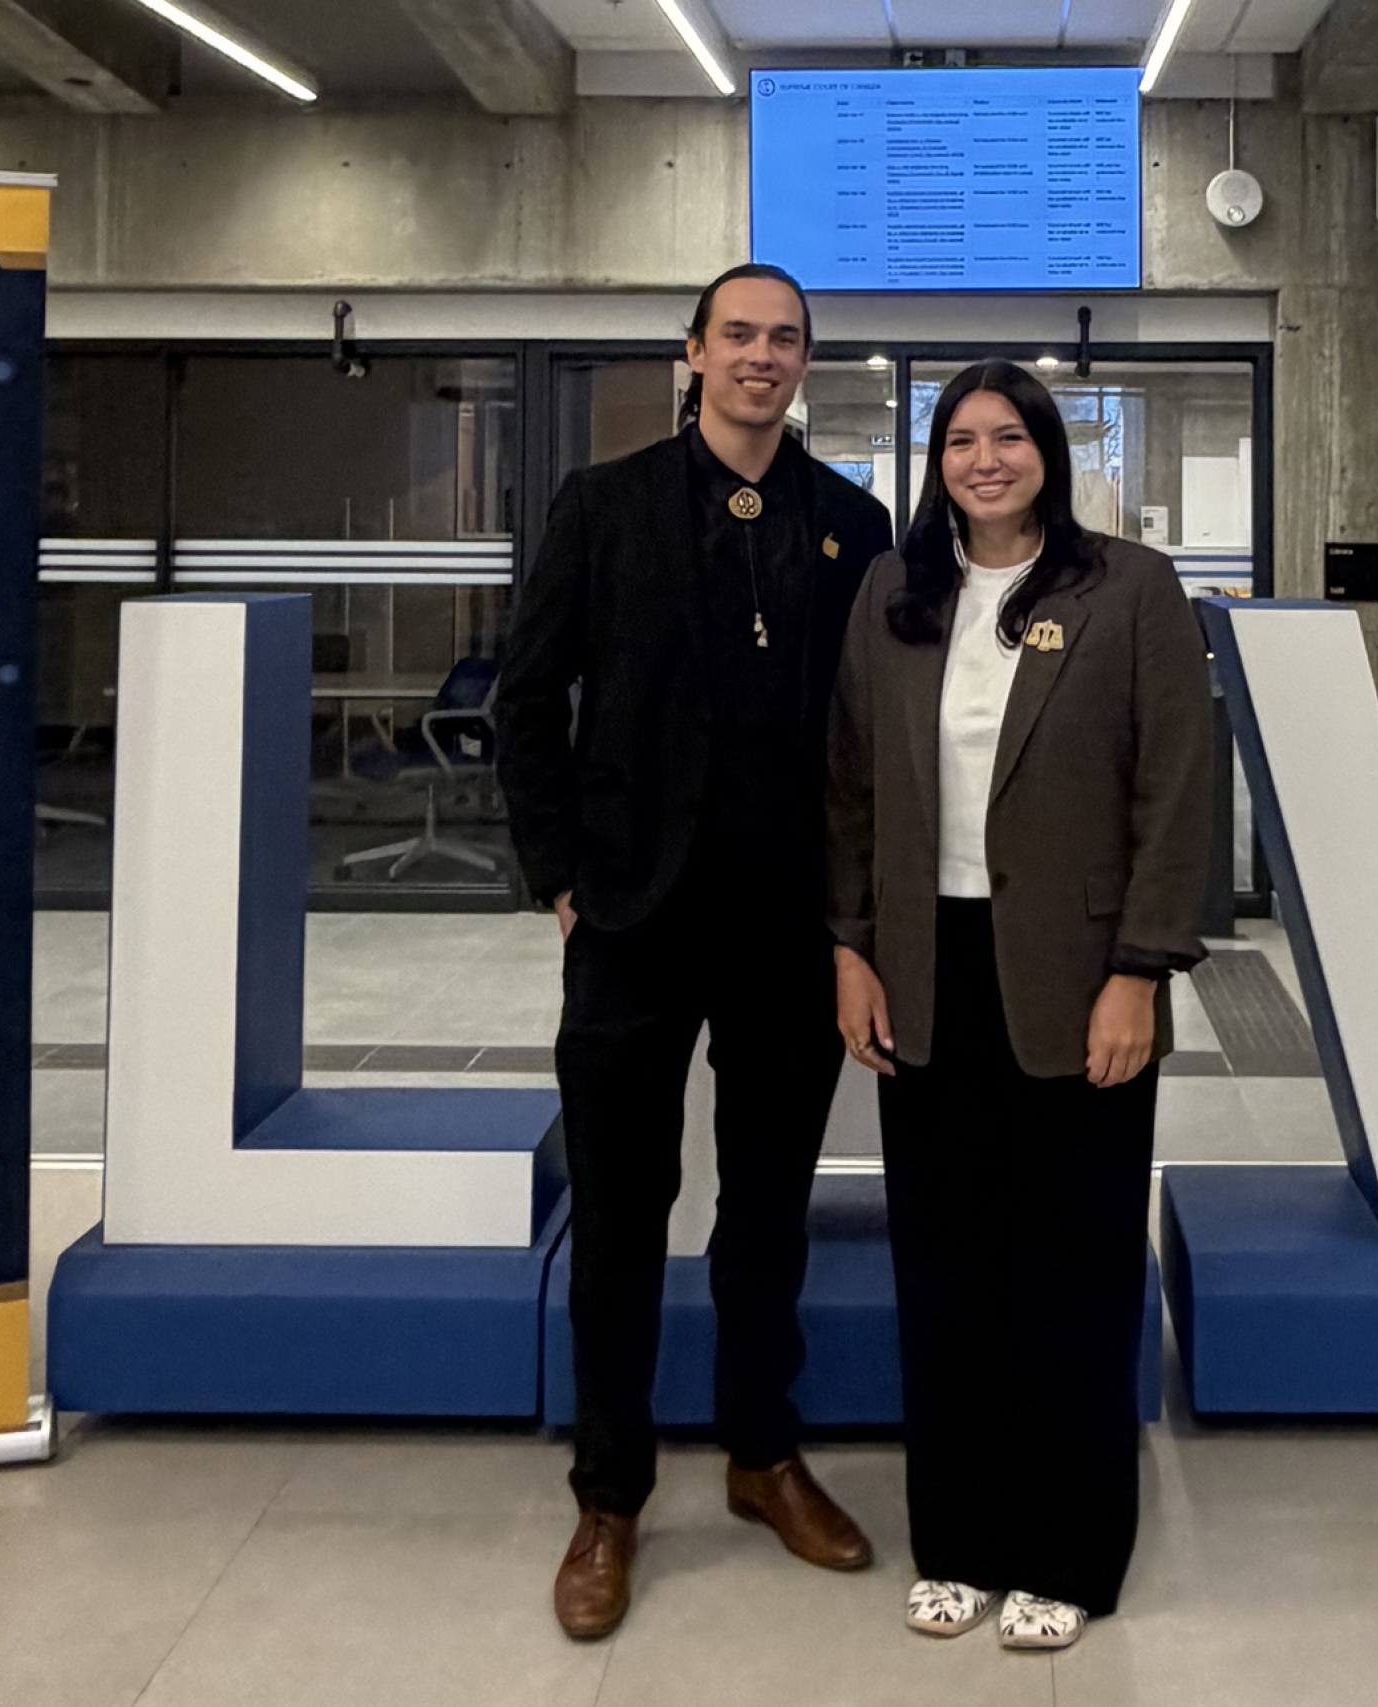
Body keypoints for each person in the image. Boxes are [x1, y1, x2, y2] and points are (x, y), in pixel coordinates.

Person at [496, 263, 896, 1641]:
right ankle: (609, 1497)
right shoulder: (603, 508)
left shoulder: (854, 525)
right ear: (694, 352)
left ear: (806, 365)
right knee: (619, 1216)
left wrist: (858, 918)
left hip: (787, 928)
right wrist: (559, 879)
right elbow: (527, 699)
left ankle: (759, 1455)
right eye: (740, 336)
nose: (762, 359)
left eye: (786, 341)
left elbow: (863, 745)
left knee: (766, 1210)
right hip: (632, 923)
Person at [824, 360, 1214, 1651]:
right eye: (959, 441)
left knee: (1074, 1268)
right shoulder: (897, 591)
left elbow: (1174, 790)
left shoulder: (1129, 590)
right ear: (933, 464)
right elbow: (852, 790)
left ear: (1048, 450)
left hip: (1075, 975)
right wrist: (852, 948)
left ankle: (1070, 1550)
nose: (983, 460)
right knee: (947, 1268)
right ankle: (964, 1537)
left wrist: (1139, 971)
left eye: (1008, 437)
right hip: (927, 973)